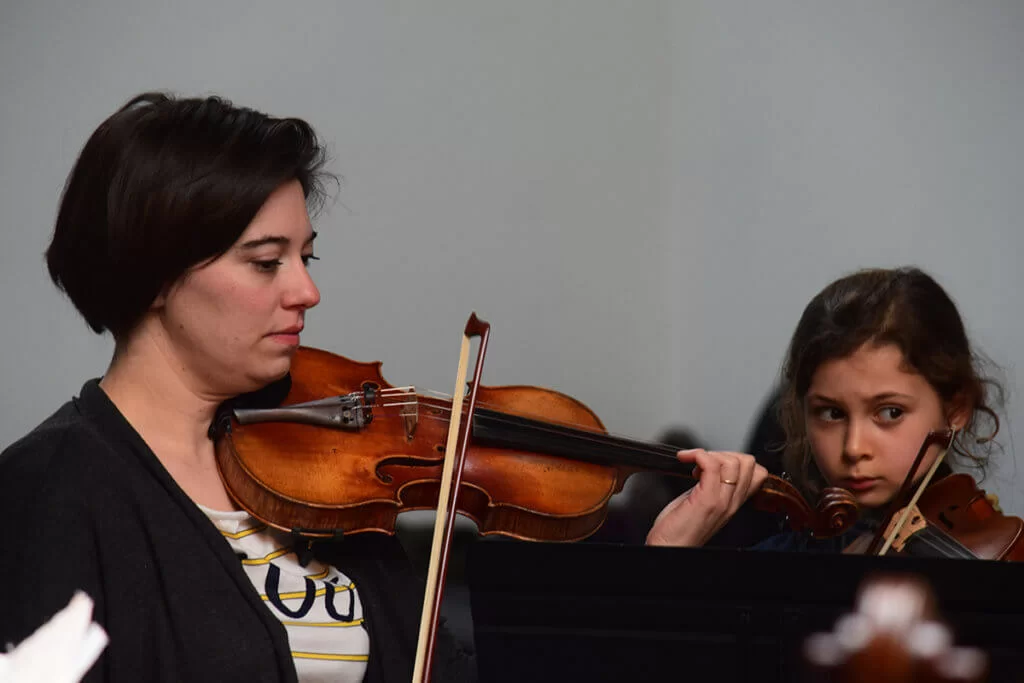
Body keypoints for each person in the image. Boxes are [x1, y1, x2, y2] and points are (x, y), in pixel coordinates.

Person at [0, 92, 477, 683]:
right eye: (266, 261)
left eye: (306, 257)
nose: (308, 292)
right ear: (154, 276)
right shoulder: (44, 492)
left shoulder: (320, 465)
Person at [645, 266, 1007, 553]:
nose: (854, 448)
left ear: (956, 408)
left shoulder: (989, 558)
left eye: (890, 412)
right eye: (832, 414)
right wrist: (669, 546)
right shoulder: (781, 566)